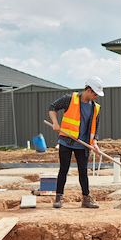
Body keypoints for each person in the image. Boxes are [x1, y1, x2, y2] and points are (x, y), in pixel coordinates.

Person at [47, 76, 104, 209]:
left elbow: (95, 128)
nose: (96, 96)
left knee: (83, 171)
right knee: (64, 169)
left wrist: (94, 142)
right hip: (66, 141)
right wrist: (55, 123)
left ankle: (86, 198)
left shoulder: (95, 108)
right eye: (95, 93)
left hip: (83, 144)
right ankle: (59, 197)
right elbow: (52, 107)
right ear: (88, 90)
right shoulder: (70, 99)